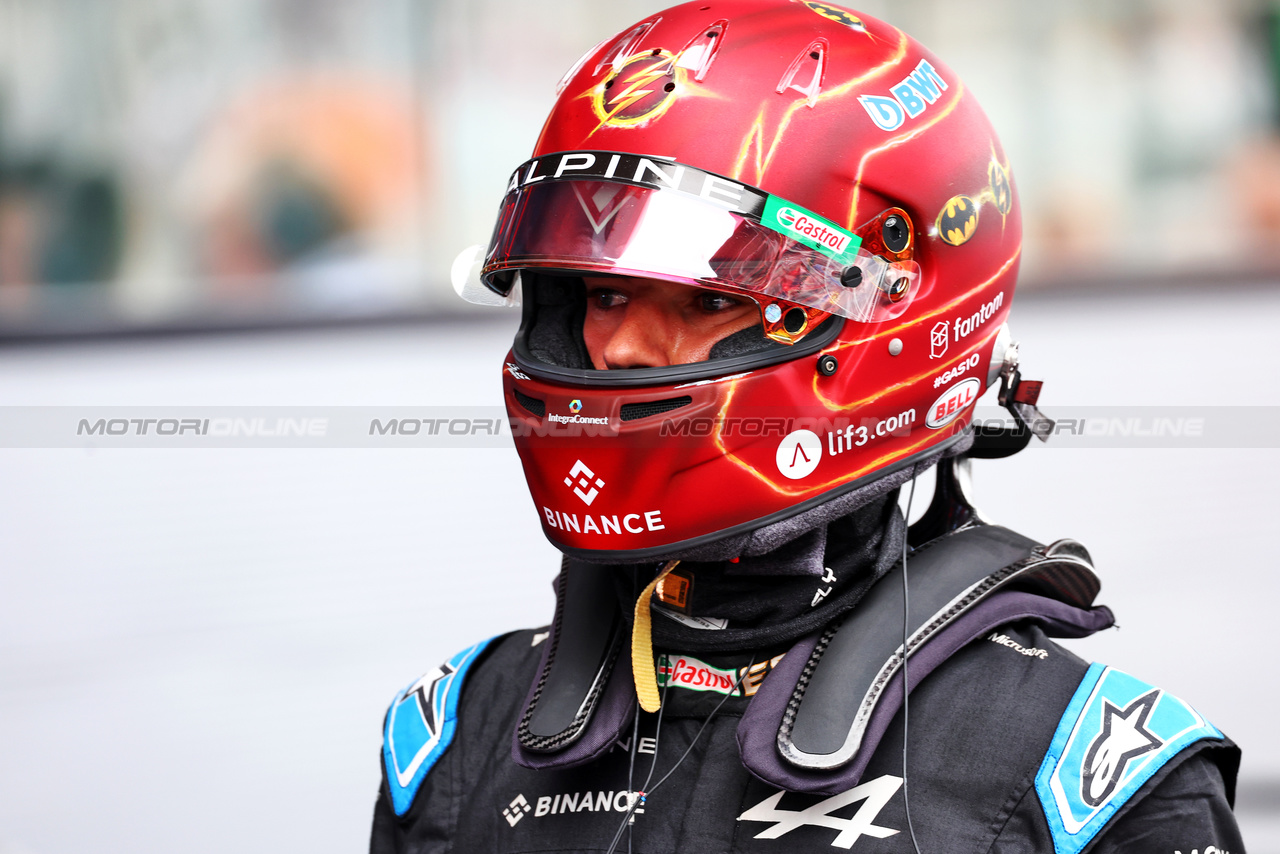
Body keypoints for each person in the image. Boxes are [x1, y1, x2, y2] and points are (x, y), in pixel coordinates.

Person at [371, 2, 1245, 852]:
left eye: (709, 299)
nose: (622, 350)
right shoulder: (457, 738)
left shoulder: (1080, 778)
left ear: (891, 316)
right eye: (602, 295)